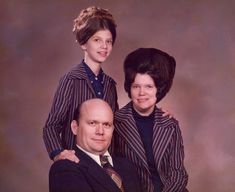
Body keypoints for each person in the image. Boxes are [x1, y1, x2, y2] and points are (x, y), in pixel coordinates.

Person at [43, 6, 118, 162]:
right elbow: (51, 126)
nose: (104, 46)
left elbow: (118, 125)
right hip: (77, 165)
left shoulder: (110, 84)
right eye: (97, 40)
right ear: (84, 43)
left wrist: (155, 114)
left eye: (108, 41)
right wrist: (58, 153)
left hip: (105, 167)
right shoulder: (71, 80)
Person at [113, 48, 188, 192]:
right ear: (129, 88)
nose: (142, 93)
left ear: (158, 89)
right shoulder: (116, 123)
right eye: (136, 86)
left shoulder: (170, 125)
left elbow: (178, 173)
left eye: (148, 86)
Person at [49, 99, 141, 192]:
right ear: (75, 127)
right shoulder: (65, 169)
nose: (100, 131)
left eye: (106, 125)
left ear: (112, 129)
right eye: (92, 123)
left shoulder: (127, 167)